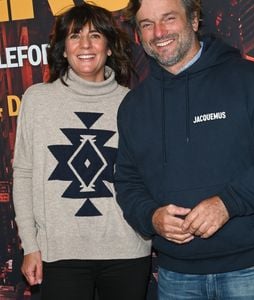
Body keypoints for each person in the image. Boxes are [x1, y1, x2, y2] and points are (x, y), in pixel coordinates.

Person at [114, 0, 254, 299]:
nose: (158, 32)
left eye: (169, 19)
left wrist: (228, 203)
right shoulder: (134, 106)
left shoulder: (246, 79)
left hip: (249, 271)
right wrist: (151, 216)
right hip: (175, 277)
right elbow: (127, 181)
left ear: (195, 20)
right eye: (146, 24)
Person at [12, 3, 151, 300]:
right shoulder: (38, 100)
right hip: (59, 254)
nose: (85, 45)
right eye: (75, 36)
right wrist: (30, 244)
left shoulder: (133, 104)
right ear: (63, 49)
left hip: (126, 250)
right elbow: (23, 175)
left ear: (110, 48)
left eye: (96, 35)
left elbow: (149, 176)